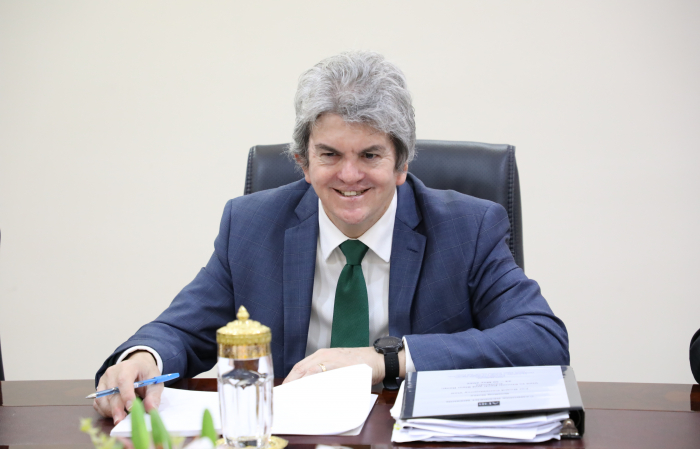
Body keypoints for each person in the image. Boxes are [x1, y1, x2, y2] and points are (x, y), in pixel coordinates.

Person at [94, 51, 569, 423]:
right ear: (302, 163)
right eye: (329, 155)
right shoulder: (251, 225)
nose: (349, 175)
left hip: (416, 447)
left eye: (370, 155)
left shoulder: (469, 227)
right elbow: (182, 329)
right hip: (291, 445)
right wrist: (143, 357)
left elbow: (542, 339)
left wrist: (385, 360)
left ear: (402, 164)